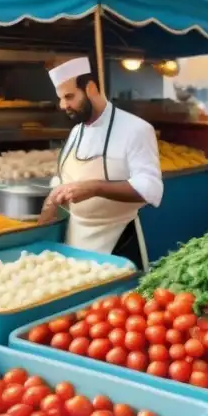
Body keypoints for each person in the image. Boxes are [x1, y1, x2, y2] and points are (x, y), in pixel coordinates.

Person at [39, 58, 162, 269]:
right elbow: (67, 178)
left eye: (69, 96)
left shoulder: (136, 129)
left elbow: (151, 188)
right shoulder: (77, 131)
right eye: (60, 98)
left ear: (91, 88)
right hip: (74, 242)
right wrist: (53, 199)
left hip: (116, 243)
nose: (62, 105)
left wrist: (95, 187)